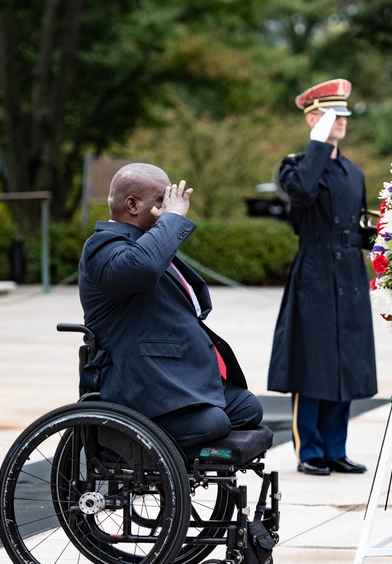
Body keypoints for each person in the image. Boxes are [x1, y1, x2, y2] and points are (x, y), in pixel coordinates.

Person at [78, 163, 264, 448]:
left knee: (248, 408)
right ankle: (151, 453)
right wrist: (173, 219)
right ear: (132, 205)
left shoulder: (148, 242)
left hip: (178, 372)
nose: (170, 206)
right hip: (142, 381)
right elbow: (142, 267)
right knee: (215, 422)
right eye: (162, 200)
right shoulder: (102, 246)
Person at [268, 78, 377, 476]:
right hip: (314, 271)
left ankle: (336, 448)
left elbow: (361, 224)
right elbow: (301, 194)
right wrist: (317, 145)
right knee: (312, 363)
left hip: (348, 270)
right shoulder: (296, 166)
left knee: (346, 361)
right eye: (333, 114)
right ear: (313, 118)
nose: (342, 121)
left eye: (344, 113)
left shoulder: (353, 171)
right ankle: (309, 449)